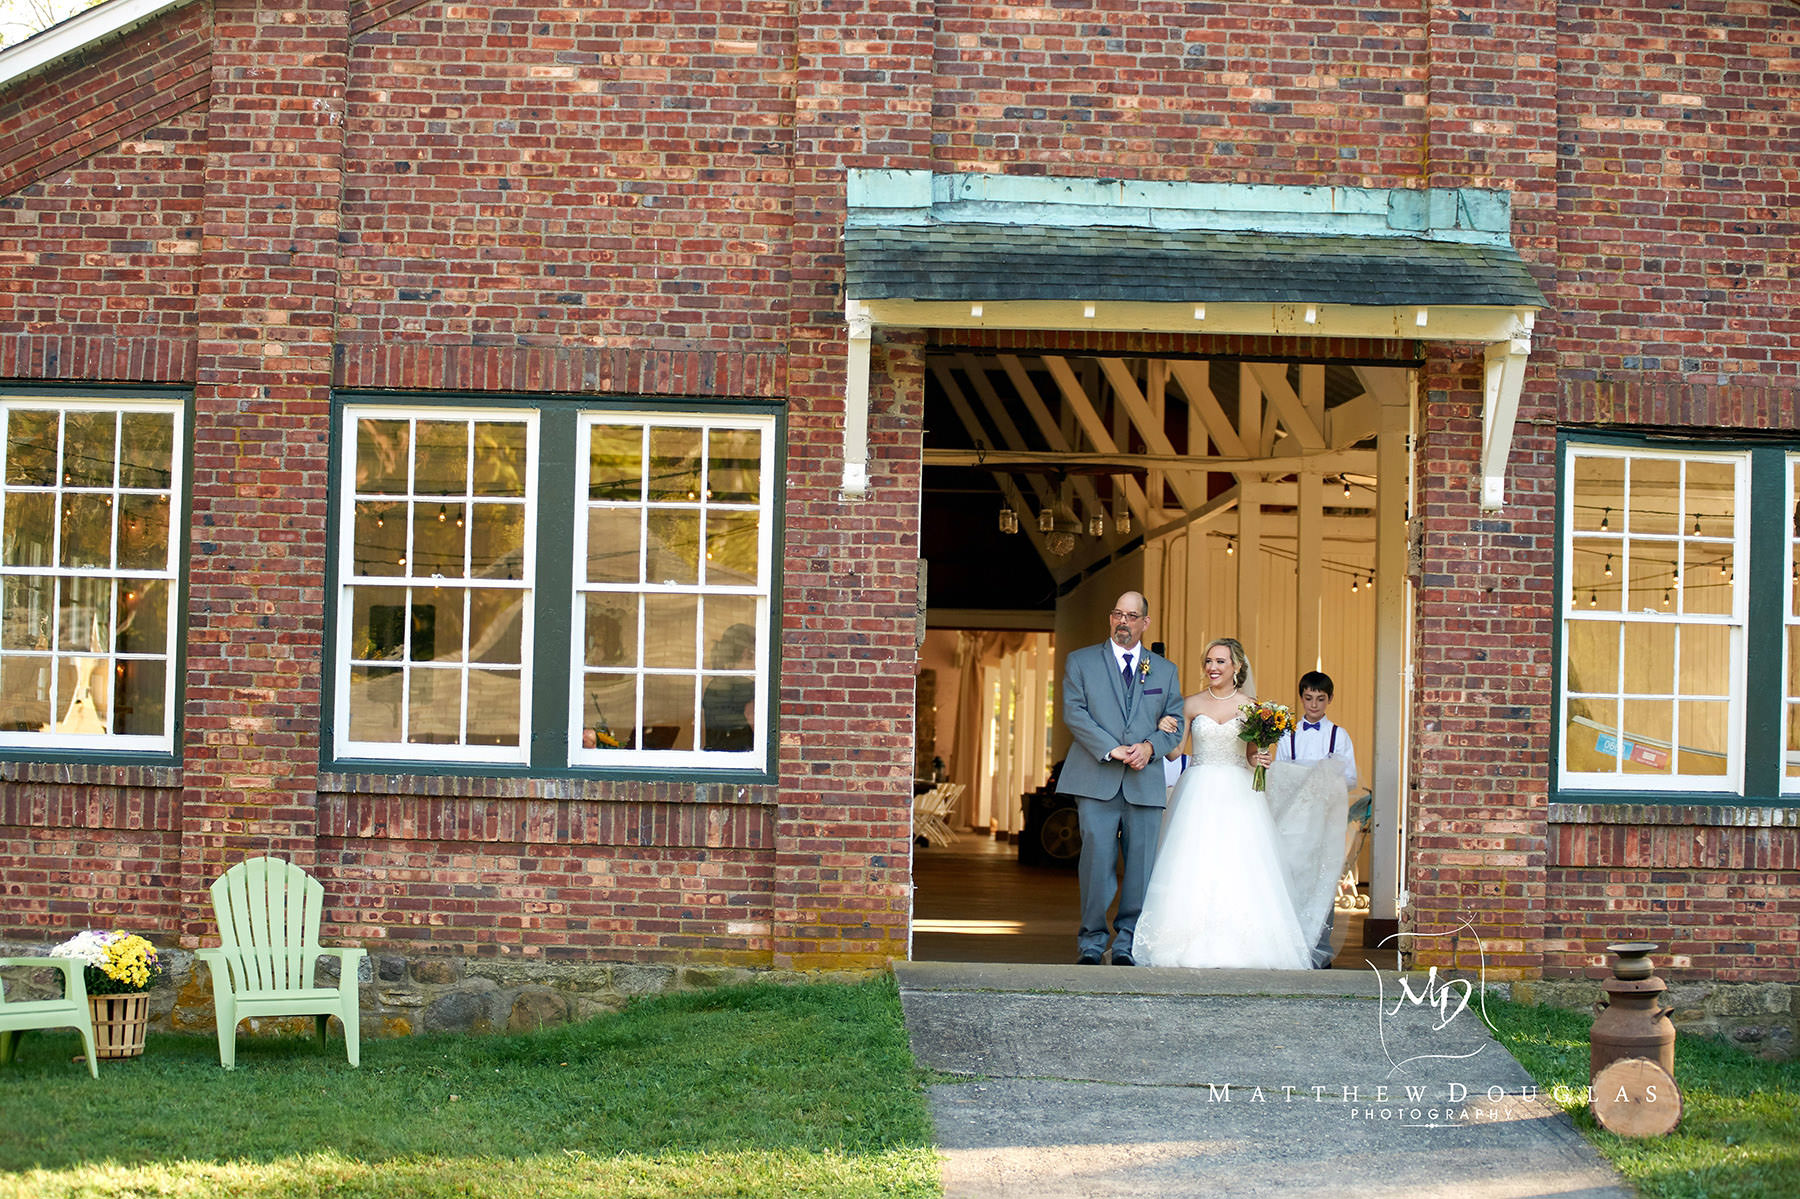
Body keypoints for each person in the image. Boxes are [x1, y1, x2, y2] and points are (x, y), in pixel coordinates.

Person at [1132, 637, 1336, 970]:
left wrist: (1263, 759)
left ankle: (1246, 943)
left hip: (1239, 794)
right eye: (1209, 661)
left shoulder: (1252, 706)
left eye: (1220, 662)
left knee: (1239, 863)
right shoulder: (1191, 703)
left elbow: (1254, 757)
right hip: (1198, 790)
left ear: (1236, 667)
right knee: (1193, 862)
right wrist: (1163, 725)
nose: (1212, 667)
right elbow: (1173, 752)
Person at [1056, 592, 1185, 966]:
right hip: (1096, 778)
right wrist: (1112, 748)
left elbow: (1175, 724)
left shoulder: (1164, 670)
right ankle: (1092, 942)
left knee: (1141, 867)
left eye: (1131, 616)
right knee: (1096, 863)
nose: (1122, 622)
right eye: (1117, 614)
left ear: (1145, 623)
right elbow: (1075, 713)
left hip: (1145, 782)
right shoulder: (1080, 662)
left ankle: (1128, 940)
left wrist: (1149, 746)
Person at [1276, 670, 1358, 968]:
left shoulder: (1340, 736)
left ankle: (1319, 948)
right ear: (1301, 698)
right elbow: (1280, 776)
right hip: (1294, 822)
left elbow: (1349, 777)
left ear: (1330, 700)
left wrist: (1326, 775)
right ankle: (1292, 945)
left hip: (1325, 819)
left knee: (1323, 879)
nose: (1314, 705)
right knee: (1294, 878)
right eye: (1308, 699)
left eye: (1320, 699)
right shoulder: (1288, 734)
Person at [701, 623, 756, 751]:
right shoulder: (749, 688)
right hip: (741, 756)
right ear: (747, 652)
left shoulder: (713, 685)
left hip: (715, 753)